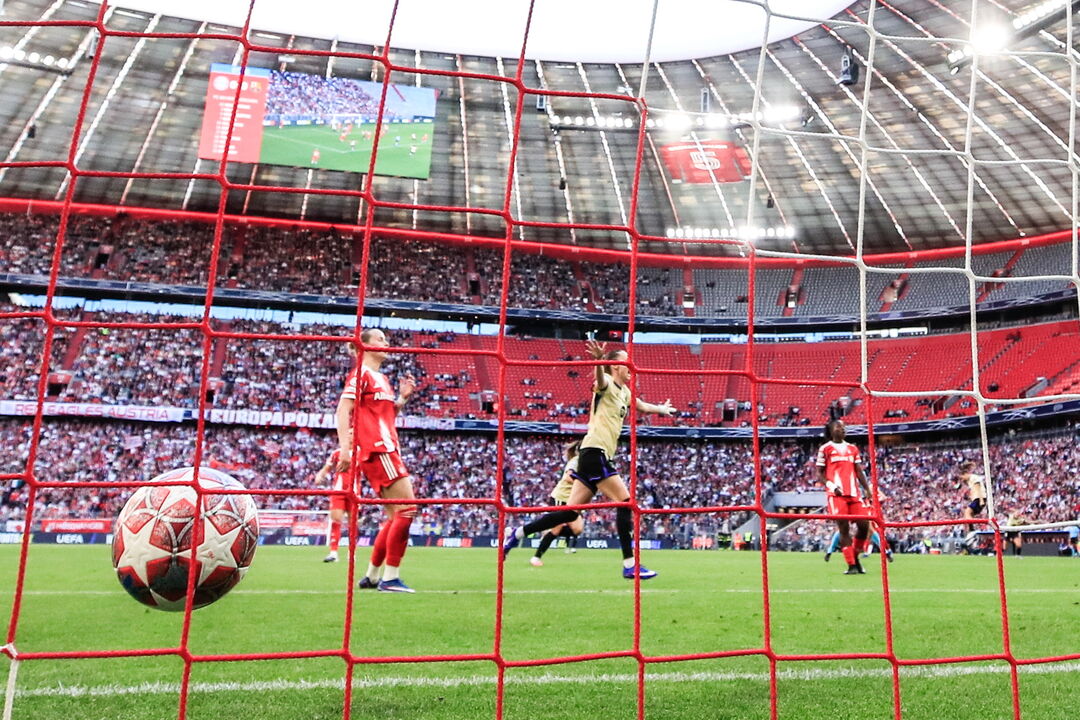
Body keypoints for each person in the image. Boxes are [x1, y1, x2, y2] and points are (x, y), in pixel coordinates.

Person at [503, 339, 675, 580]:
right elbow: (602, 379)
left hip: (592, 457)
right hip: (595, 453)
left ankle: (516, 534)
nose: (630, 366)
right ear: (615, 366)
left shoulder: (625, 392)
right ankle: (629, 564)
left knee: (569, 514)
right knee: (625, 503)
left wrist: (661, 410)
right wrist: (599, 361)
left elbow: (641, 406)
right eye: (626, 362)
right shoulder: (605, 384)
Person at [336, 329, 417, 592]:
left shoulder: (381, 378)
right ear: (365, 346)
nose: (386, 343)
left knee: (396, 516)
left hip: (386, 446)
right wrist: (345, 449)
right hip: (376, 449)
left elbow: (385, 415)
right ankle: (390, 578)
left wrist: (402, 399)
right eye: (380, 339)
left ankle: (372, 576)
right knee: (407, 510)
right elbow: (343, 409)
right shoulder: (360, 374)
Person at [817, 419, 875, 575]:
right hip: (837, 495)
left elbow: (858, 470)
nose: (842, 429)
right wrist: (832, 487)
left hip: (854, 493)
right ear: (831, 430)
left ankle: (855, 558)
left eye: (844, 427)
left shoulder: (852, 448)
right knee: (844, 529)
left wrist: (867, 488)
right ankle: (851, 565)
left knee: (864, 527)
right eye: (838, 427)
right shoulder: (825, 449)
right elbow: (819, 473)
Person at [530, 441, 585, 567]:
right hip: (561, 498)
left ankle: (545, 529)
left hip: (573, 500)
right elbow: (567, 477)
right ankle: (536, 557)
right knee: (557, 528)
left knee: (577, 529)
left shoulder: (586, 463)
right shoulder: (576, 462)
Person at [958, 461, 987, 552]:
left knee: (967, 512)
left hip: (979, 498)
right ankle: (972, 531)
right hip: (977, 498)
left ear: (965, 474)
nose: (962, 480)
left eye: (962, 478)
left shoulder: (974, 478)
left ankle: (972, 532)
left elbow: (978, 488)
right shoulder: (970, 480)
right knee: (967, 515)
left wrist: (981, 500)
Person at [824, 528, 892, 563]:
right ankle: (885, 551)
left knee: (841, 530)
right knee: (872, 532)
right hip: (861, 514)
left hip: (854, 514)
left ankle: (830, 551)